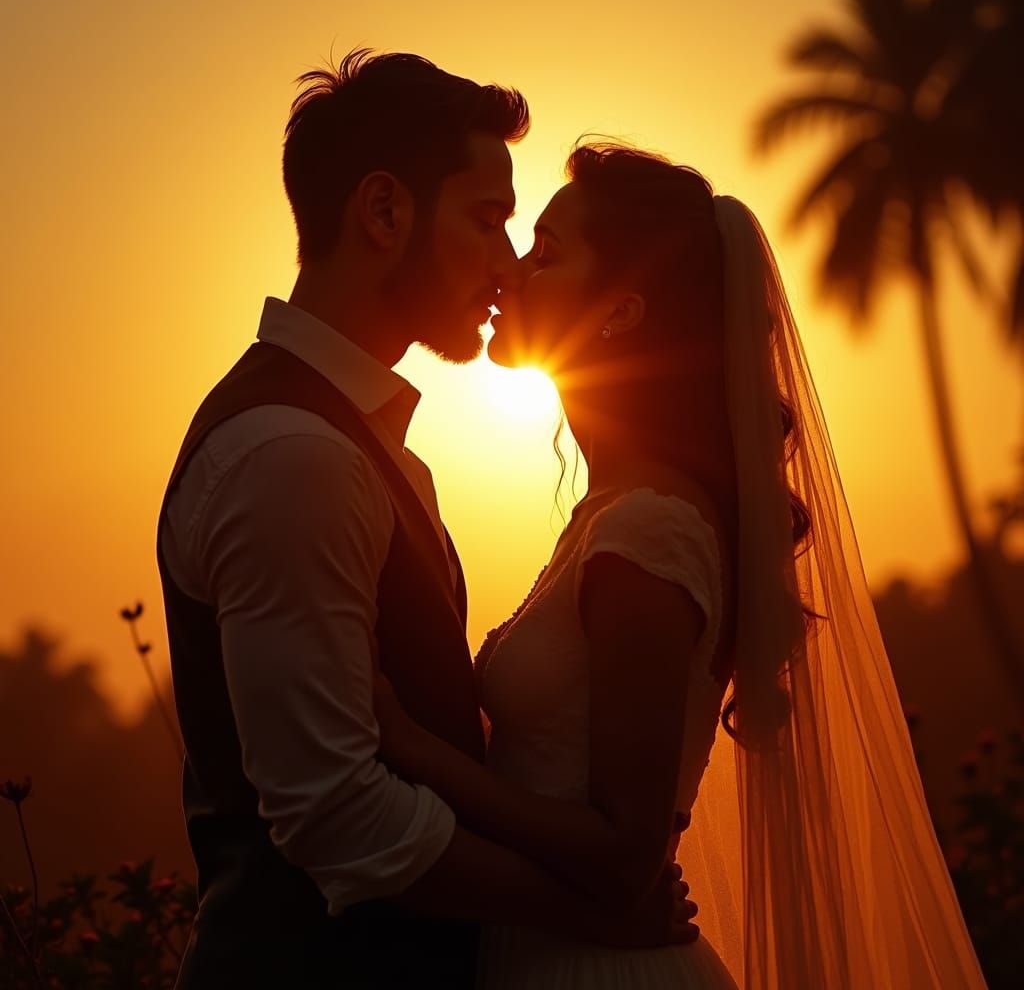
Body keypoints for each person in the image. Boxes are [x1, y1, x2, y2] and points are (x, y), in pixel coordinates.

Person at [372, 143, 990, 988]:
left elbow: (627, 854)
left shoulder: (647, 533)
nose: (511, 267)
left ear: (620, 313)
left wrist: (409, 747)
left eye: (547, 252)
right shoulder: (615, 513)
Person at [156, 57, 694, 989]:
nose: (505, 261)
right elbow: (336, 817)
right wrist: (589, 908)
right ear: (384, 213)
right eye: (487, 220)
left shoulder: (371, 450)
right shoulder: (294, 455)